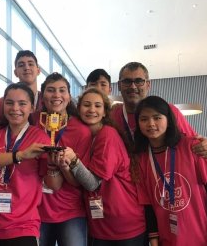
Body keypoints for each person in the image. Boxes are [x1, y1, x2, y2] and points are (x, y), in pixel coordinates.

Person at [134, 96, 207, 246]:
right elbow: (148, 203)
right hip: (170, 236)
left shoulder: (192, 145)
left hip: (206, 233)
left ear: (168, 121)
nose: (151, 124)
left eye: (157, 117)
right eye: (144, 119)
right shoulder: (141, 159)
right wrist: (153, 238)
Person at [0, 82, 56, 246]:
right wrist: (20, 155)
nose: (15, 108)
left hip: (21, 227)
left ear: (31, 108)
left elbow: (53, 184)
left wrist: (57, 166)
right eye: (9, 103)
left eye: (22, 103)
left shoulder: (40, 138)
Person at [62, 87, 146, 245]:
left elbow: (92, 183)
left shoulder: (108, 135)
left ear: (105, 112)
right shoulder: (87, 136)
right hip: (100, 226)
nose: (91, 109)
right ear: (79, 109)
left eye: (98, 106)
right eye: (86, 105)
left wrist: (73, 160)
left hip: (123, 226)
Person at [111, 62, 207, 156]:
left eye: (139, 81)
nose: (133, 86)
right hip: (125, 174)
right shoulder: (111, 115)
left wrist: (205, 147)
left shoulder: (169, 111)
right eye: (127, 81)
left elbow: (195, 144)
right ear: (119, 86)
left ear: (148, 85)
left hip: (163, 172)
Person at [37, 73, 92, 246]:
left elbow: (79, 181)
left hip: (70, 210)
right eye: (50, 90)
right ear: (42, 95)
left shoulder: (81, 130)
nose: (56, 95)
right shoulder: (33, 121)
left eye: (62, 90)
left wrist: (64, 167)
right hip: (37, 209)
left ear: (69, 96)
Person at [0, 50, 42, 123]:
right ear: (15, 72)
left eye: (30, 64)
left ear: (38, 70)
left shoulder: (46, 101)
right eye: (21, 65)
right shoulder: (1, 103)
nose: (26, 68)